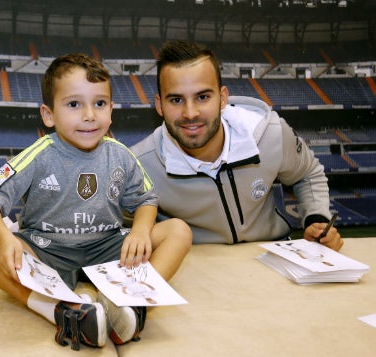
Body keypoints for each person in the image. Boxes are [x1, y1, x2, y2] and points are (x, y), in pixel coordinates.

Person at [0, 53, 191, 351]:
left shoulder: (120, 154)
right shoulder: (40, 153)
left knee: (178, 230)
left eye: (99, 103)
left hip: (108, 247)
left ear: (111, 110)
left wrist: (139, 231)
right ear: (49, 115)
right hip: (48, 249)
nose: (89, 115)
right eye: (74, 104)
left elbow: (146, 200)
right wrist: (6, 239)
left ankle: (131, 304)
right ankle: (59, 310)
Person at [130, 40, 343, 251]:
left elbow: (307, 174)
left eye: (202, 97)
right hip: (195, 265)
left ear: (222, 98)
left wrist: (316, 219)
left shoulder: (271, 133)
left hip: (272, 256)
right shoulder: (138, 166)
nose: (190, 113)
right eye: (176, 100)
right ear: (159, 105)